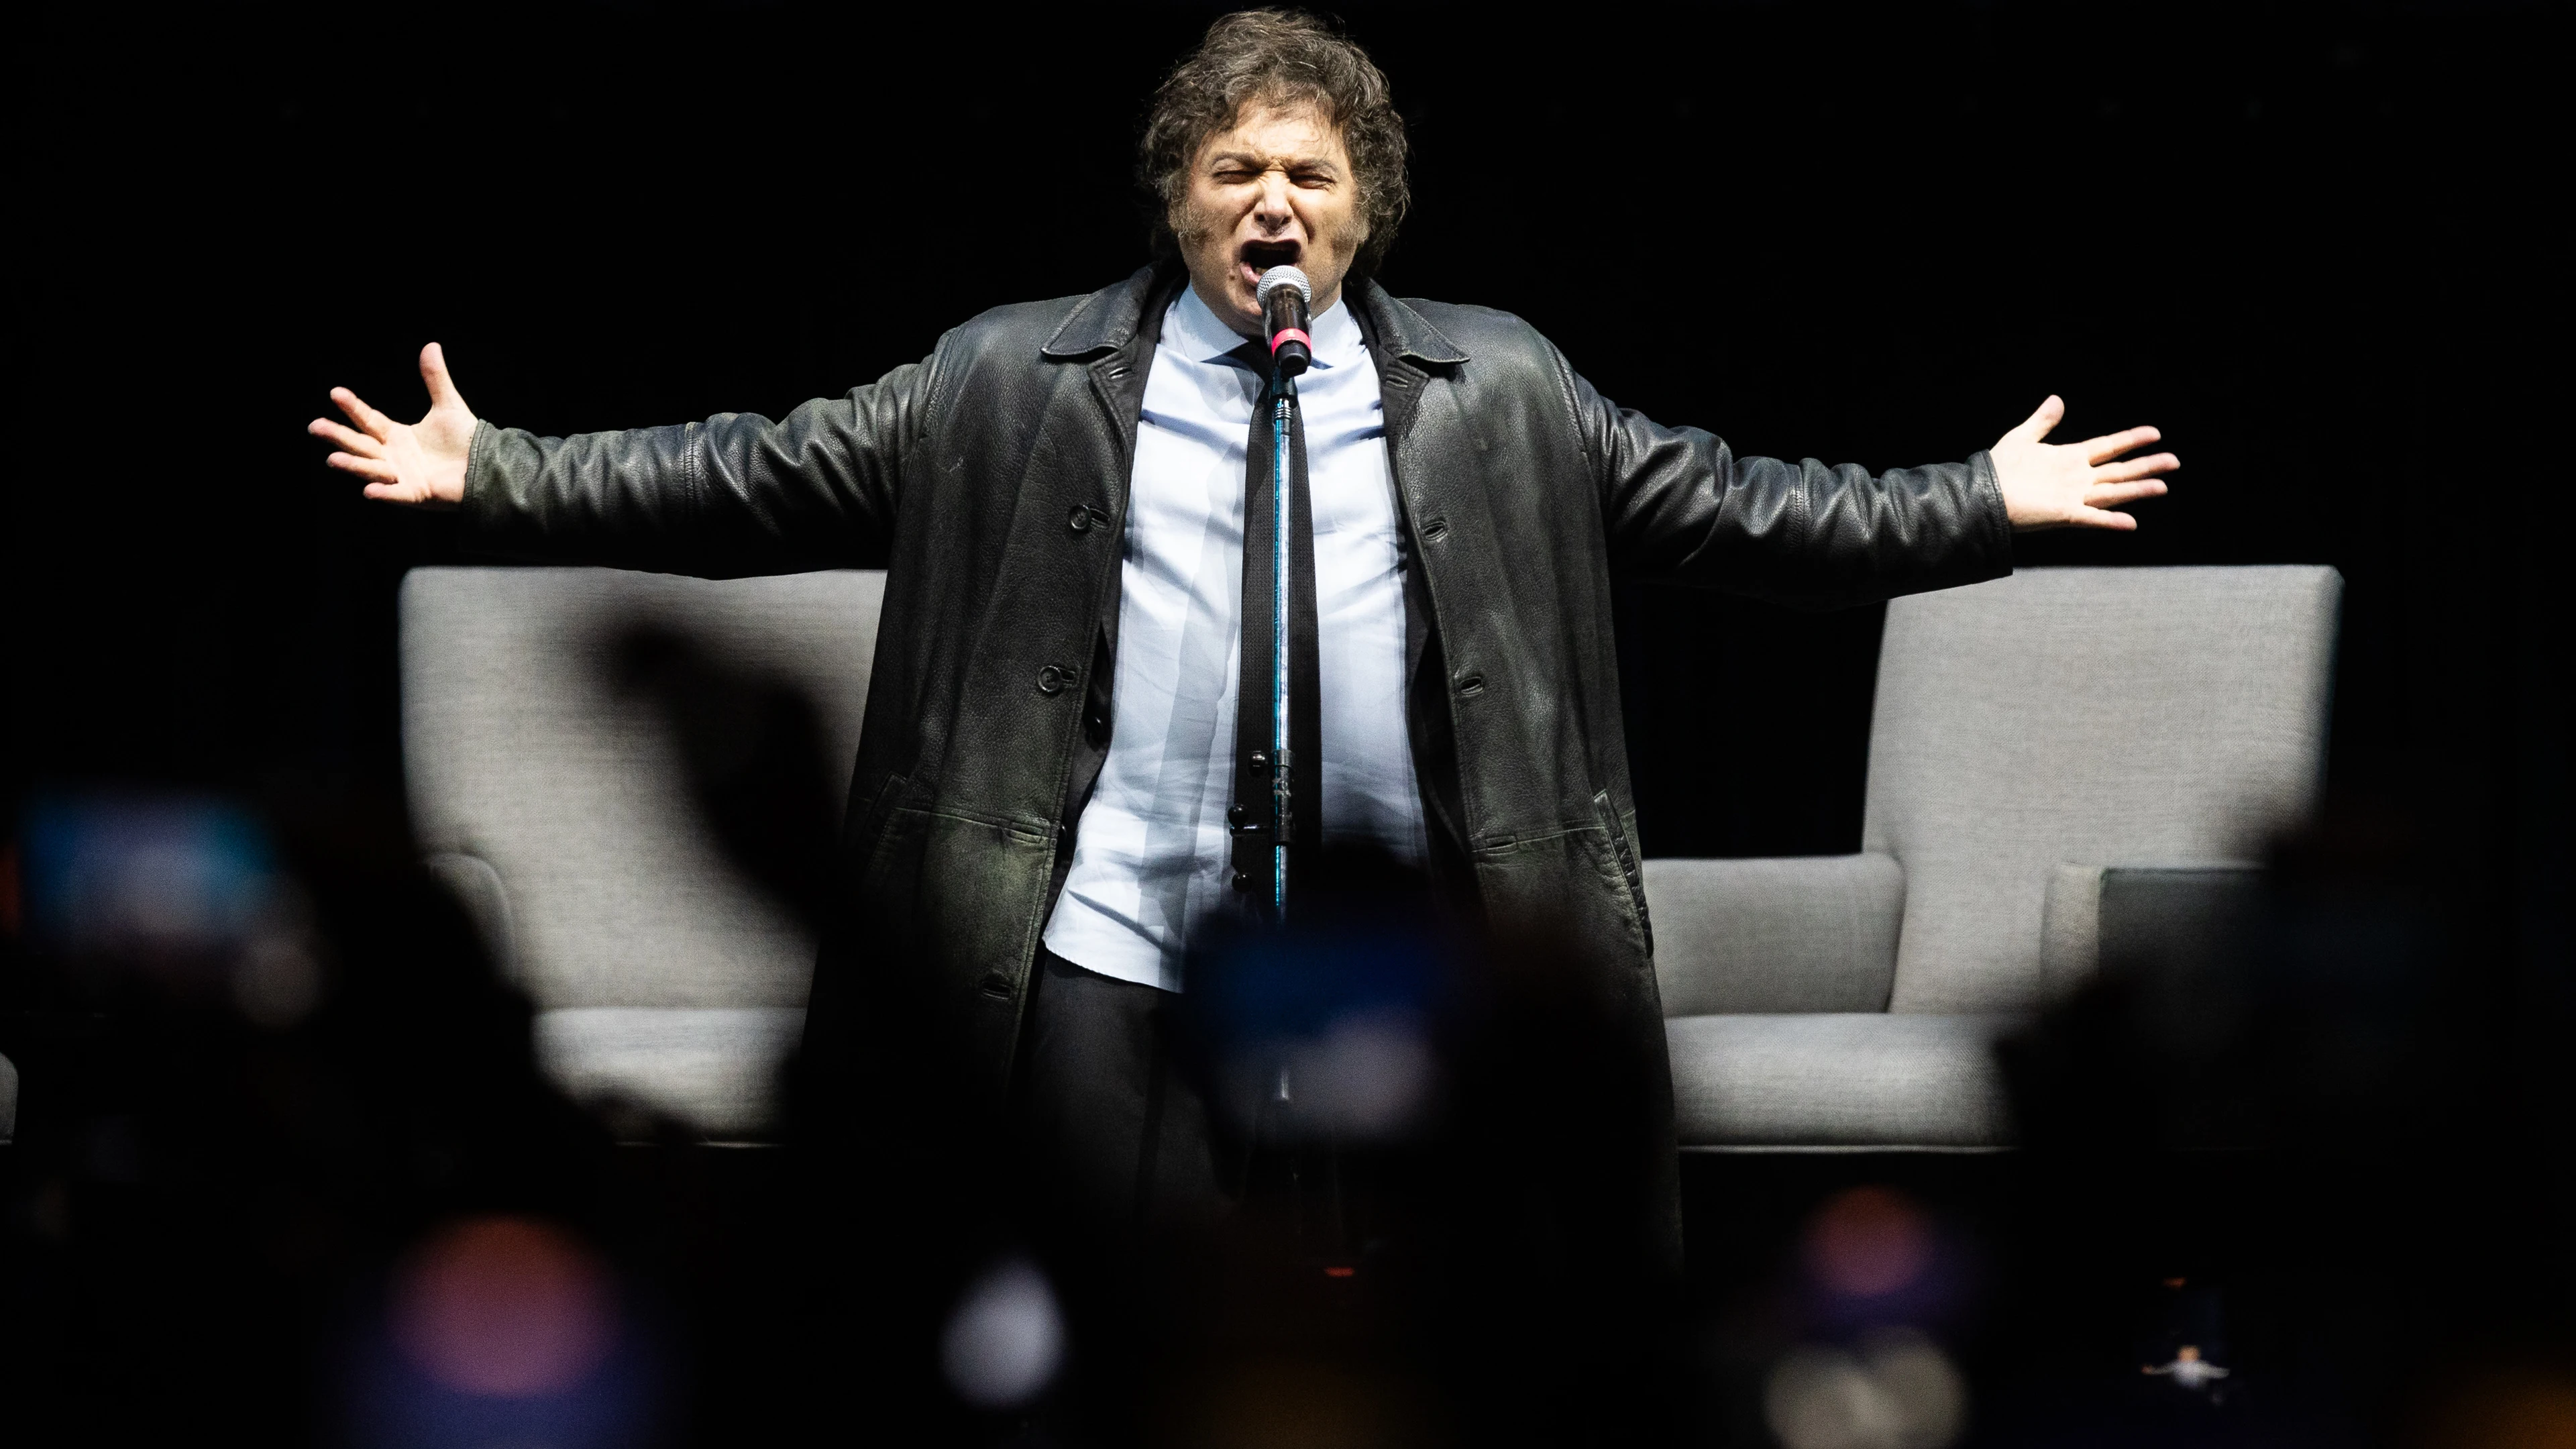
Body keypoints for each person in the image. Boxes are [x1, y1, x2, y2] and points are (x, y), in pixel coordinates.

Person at [311, 4, 2170, 1301]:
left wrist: (1977, 502)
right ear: (1176, 202)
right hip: (1112, 949)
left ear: (1366, 209)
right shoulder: (1003, 383)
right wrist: (502, 472)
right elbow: (747, 471)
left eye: (1306, 171)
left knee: (1438, 1329)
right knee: (1117, 1317)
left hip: (1416, 957)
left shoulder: (1500, 390)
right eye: (1230, 170)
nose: (1269, 201)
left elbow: (1754, 512)